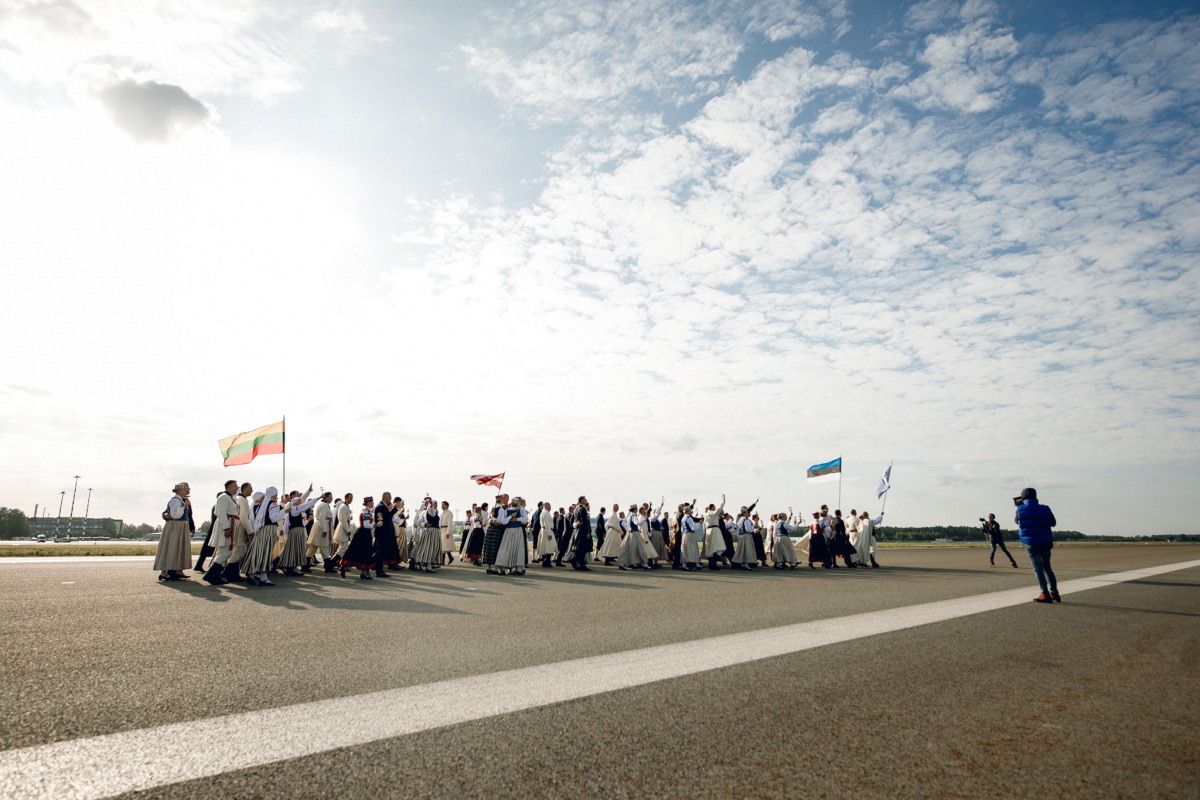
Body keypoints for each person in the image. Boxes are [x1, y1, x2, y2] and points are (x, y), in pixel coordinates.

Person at [1015, 488, 1059, 603]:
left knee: (1038, 569)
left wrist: (1020, 508)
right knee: (1047, 568)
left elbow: (1016, 521)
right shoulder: (1045, 508)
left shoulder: (1019, 509)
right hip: (1045, 541)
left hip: (1031, 542)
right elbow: (1053, 523)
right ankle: (1054, 593)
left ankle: (1045, 594)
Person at [154, 482, 194, 581]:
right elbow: (175, 515)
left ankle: (178, 571)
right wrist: (184, 506)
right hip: (176, 526)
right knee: (171, 548)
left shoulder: (180, 500)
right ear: (179, 490)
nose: (187, 491)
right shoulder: (176, 501)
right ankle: (164, 572)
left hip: (181, 526)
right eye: (185, 489)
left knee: (179, 548)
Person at [202, 481, 240, 584]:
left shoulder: (230, 498)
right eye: (236, 486)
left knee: (224, 552)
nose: (237, 487)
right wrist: (226, 528)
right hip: (227, 524)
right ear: (230, 487)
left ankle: (213, 575)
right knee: (225, 551)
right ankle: (212, 575)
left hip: (230, 523)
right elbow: (221, 513)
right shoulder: (223, 497)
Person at [245, 487, 285, 585]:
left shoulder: (262, 504)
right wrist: (285, 511)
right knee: (266, 552)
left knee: (258, 552)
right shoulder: (273, 504)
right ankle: (263, 577)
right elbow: (274, 517)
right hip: (269, 529)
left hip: (261, 530)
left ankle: (252, 575)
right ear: (274, 494)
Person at [279, 485, 316, 576]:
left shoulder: (297, 507)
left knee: (297, 549)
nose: (300, 498)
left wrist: (309, 490)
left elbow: (303, 500)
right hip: (294, 531)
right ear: (293, 497)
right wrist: (284, 530)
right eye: (297, 496)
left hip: (299, 530)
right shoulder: (291, 507)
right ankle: (285, 564)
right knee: (291, 549)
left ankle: (292, 566)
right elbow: (286, 519)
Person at [340, 497, 376, 580]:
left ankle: (345, 565)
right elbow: (366, 524)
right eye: (371, 502)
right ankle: (364, 573)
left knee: (355, 550)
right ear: (368, 503)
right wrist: (376, 525)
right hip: (365, 533)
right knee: (365, 552)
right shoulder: (367, 512)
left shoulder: (364, 511)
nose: (373, 504)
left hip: (361, 532)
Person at [564, 496, 594, 570]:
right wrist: (587, 532)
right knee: (583, 549)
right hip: (583, 531)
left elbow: (572, 522)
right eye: (585, 499)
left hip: (577, 531)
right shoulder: (583, 509)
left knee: (580, 549)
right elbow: (585, 522)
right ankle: (576, 561)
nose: (586, 500)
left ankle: (581, 564)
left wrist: (576, 524)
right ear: (581, 501)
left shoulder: (576, 509)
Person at [439, 500, 456, 566]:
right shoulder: (442, 513)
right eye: (441, 505)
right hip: (442, 529)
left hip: (446, 529)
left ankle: (442, 561)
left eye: (443, 505)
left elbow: (449, 523)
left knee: (444, 546)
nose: (442, 506)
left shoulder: (449, 513)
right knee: (443, 545)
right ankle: (450, 557)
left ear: (447, 506)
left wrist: (448, 532)